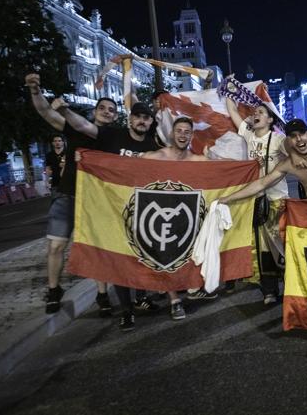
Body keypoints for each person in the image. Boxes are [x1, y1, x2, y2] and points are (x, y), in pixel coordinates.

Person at [54, 99, 161, 331]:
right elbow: (83, 127)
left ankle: (141, 297)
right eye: (138, 116)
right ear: (130, 118)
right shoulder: (113, 136)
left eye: (146, 117)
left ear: (151, 122)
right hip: (111, 208)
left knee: (140, 256)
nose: (142, 121)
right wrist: (84, 156)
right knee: (119, 261)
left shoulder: (153, 146)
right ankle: (126, 311)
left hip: (138, 209)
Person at [25, 73, 114, 317]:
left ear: (115, 117)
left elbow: (80, 124)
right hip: (67, 195)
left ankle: (102, 293)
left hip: (95, 201)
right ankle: (54, 289)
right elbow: (45, 112)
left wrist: (64, 109)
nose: (107, 112)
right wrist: (35, 91)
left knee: (97, 249)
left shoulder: (110, 137)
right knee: (56, 246)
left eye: (111, 110)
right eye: (103, 108)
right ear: (95, 111)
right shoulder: (74, 131)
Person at [140, 117, 208, 320]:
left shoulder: (196, 159)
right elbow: (125, 166)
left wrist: (252, 164)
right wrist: (89, 160)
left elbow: (225, 166)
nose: (182, 135)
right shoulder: (158, 156)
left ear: (191, 136)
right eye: (179, 130)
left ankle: (191, 287)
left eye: (187, 132)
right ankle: (174, 301)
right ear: (171, 133)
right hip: (161, 214)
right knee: (165, 256)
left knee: (187, 254)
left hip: (187, 214)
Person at [224, 98, 289, 305]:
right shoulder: (248, 135)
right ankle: (269, 290)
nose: (256, 114)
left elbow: (293, 158)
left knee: (282, 246)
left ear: (270, 119)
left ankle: (290, 287)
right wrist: (228, 90)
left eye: (261, 111)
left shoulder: (279, 139)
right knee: (262, 248)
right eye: (255, 112)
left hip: (277, 201)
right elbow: (232, 111)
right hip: (257, 201)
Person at [219, 119, 307, 204]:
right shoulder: (288, 164)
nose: (299, 139)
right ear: (288, 141)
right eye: (293, 136)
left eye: (301, 134)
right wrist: (227, 198)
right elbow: (261, 183)